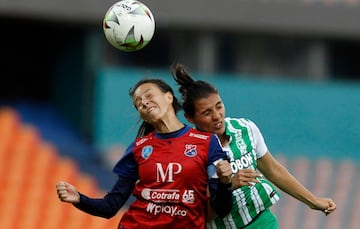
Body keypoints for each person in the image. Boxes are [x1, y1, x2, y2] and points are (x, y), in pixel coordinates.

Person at [171, 64, 337, 229]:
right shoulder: (188, 152)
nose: (217, 116)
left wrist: (313, 201)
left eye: (219, 106)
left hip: (262, 222)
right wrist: (227, 185)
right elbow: (196, 208)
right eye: (207, 113)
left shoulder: (245, 129)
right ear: (190, 118)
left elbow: (273, 170)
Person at [56, 78, 233, 228]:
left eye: (148, 95)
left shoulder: (207, 143)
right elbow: (110, 207)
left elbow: (222, 208)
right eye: (138, 103)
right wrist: (79, 199)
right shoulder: (139, 148)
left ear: (169, 97)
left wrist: (225, 182)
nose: (144, 102)